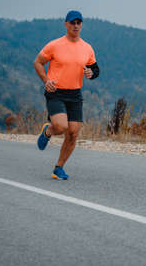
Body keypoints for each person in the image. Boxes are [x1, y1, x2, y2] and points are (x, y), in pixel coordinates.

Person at [33, 10, 99, 180]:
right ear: (66, 24)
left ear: (81, 25)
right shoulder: (54, 45)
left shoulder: (87, 47)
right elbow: (38, 62)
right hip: (56, 92)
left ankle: (58, 168)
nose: (76, 26)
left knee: (73, 133)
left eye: (79, 23)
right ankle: (48, 131)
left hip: (75, 94)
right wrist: (46, 80)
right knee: (61, 127)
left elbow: (95, 68)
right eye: (72, 23)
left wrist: (91, 73)